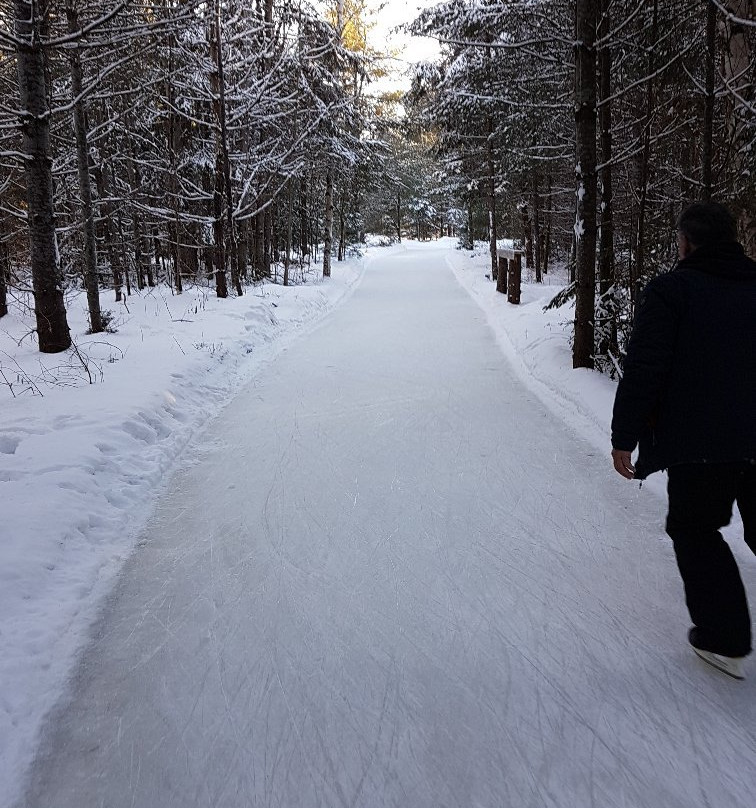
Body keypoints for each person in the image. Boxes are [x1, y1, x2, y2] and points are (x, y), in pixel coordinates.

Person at [611, 201, 756, 680]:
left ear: (687, 242)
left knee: (695, 529)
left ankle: (724, 640)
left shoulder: (672, 291)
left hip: (700, 445)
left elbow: (645, 368)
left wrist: (624, 436)